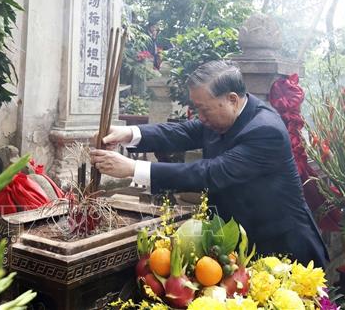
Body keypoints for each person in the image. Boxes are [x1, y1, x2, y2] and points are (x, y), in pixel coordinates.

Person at [90, 60, 329, 267]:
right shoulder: (223, 118)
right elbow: (181, 132)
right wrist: (127, 133)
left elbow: (211, 173)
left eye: (204, 109)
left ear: (232, 100)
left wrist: (133, 169)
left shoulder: (265, 130)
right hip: (242, 241)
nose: (200, 117)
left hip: (283, 247)